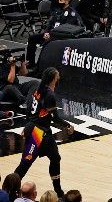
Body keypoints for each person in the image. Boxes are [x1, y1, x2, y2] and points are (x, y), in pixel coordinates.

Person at [14, 68, 73, 198]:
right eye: (57, 77)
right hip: (39, 133)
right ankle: (58, 192)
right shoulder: (50, 95)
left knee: (51, 158)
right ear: (53, 79)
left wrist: (28, 125)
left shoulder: (37, 88)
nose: (59, 79)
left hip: (34, 129)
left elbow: (29, 110)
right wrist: (68, 125)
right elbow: (55, 118)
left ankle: (10, 189)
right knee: (27, 163)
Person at [25, 0, 83, 66]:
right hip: (50, 33)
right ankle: (30, 63)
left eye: (61, 1)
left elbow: (66, 28)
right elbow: (50, 23)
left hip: (60, 36)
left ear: (67, 2)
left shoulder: (72, 13)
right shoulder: (57, 11)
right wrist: (46, 32)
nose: (59, 2)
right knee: (32, 38)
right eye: (59, 0)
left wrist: (51, 34)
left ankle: (40, 65)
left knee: (47, 43)